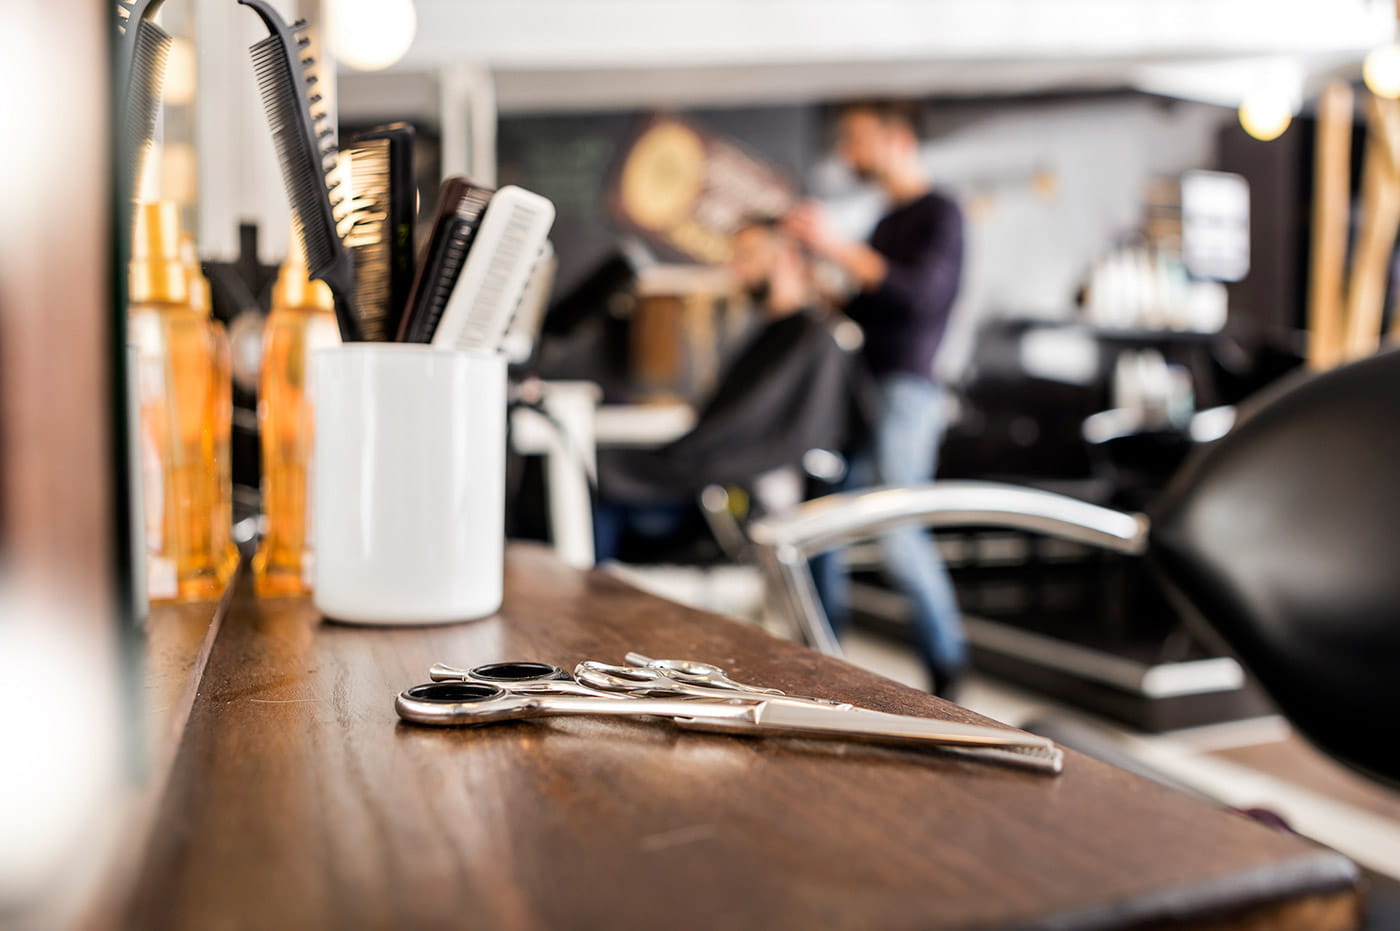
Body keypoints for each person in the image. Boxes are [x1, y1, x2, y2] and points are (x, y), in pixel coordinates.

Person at [785, 100, 968, 698]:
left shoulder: (940, 213)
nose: (847, 154)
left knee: (896, 532)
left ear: (896, 138)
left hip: (907, 395)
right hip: (863, 392)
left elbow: (917, 297)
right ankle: (825, 655)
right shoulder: (889, 221)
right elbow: (867, 303)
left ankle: (948, 666)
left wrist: (836, 247)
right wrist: (817, 275)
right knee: (825, 524)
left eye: (856, 140)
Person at [593, 218, 873, 561]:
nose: (737, 269)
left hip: (733, 496)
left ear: (786, 257)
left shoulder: (813, 339)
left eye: (748, 255)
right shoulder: (772, 336)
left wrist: (685, 457)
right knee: (594, 473)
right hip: (714, 474)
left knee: (598, 482)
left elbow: (766, 434)